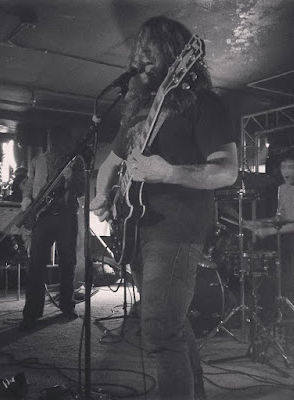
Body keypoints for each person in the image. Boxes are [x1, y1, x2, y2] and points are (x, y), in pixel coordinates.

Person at [90, 16, 238, 400]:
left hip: (177, 230)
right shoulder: (138, 114)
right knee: (171, 324)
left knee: (159, 330)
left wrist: (168, 172)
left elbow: (227, 170)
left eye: (149, 52)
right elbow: (110, 163)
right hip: (136, 226)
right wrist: (104, 194)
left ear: (174, 55)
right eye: (137, 53)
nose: (140, 60)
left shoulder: (203, 104)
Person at [20, 127, 85, 329]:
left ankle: (67, 305)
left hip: (66, 216)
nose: (53, 143)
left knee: (68, 263)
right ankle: (32, 311)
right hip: (42, 217)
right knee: (36, 264)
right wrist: (26, 198)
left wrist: (70, 178)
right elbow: (29, 183)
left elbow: (81, 190)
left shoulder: (76, 161)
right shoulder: (37, 160)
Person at [244, 153, 294, 319]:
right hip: (284, 237)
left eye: (290, 167)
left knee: (291, 276)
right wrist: (258, 223)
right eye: (283, 167)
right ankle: (271, 313)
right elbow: (280, 218)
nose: (286, 171)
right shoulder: (282, 189)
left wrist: (268, 231)